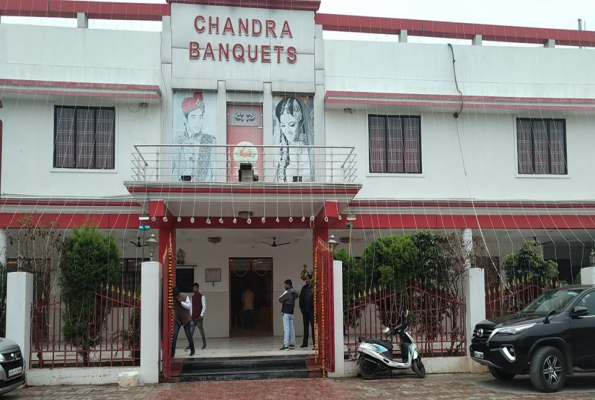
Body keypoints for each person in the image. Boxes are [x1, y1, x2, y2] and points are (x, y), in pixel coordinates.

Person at [173, 91, 216, 182]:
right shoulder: (177, 142)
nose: (198, 122)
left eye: (200, 117)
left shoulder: (210, 140)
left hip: (205, 191)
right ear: (185, 119)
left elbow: (215, 173)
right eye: (193, 117)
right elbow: (174, 171)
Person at [274, 97, 313, 182]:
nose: (287, 131)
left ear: (301, 123)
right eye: (283, 125)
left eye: (292, 125)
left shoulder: (309, 149)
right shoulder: (281, 149)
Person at [171, 287, 195, 357]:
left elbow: (189, 306)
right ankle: (172, 352)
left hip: (186, 319)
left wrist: (181, 302)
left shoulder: (184, 296)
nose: (176, 298)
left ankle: (192, 350)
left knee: (188, 335)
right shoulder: (172, 299)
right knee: (174, 335)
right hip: (177, 319)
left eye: (176, 296)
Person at [278, 279, 299, 350]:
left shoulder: (287, 292)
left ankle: (286, 345)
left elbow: (280, 299)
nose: (284, 286)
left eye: (285, 284)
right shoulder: (294, 291)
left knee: (286, 329)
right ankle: (293, 343)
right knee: (291, 328)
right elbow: (297, 295)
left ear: (288, 285)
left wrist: (285, 299)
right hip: (291, 312)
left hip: (286, 312)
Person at [186, 283, 207, 351]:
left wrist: (201, 315)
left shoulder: (202, 296)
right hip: (193, 317)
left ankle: (204, 344)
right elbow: (191, 307)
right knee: (190, 332)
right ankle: (190, 345)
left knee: (201, 332)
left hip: (199, 318)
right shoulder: (192, 297)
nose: (194, 289)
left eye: (195, 288)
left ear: (198, 288)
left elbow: (204, 306)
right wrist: (191, 315)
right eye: (193, 288)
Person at [299, 273, 315, 349]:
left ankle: (315, 343)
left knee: (313, 327)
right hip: (305, 311)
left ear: (311, 279)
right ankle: (305, 343)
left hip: (312, 311)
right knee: (305, 327)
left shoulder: (314, 288)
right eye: (305, 279)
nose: (306, 280)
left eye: (307, 279)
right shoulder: (304, 288)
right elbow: (301, 299)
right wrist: (302, 309)